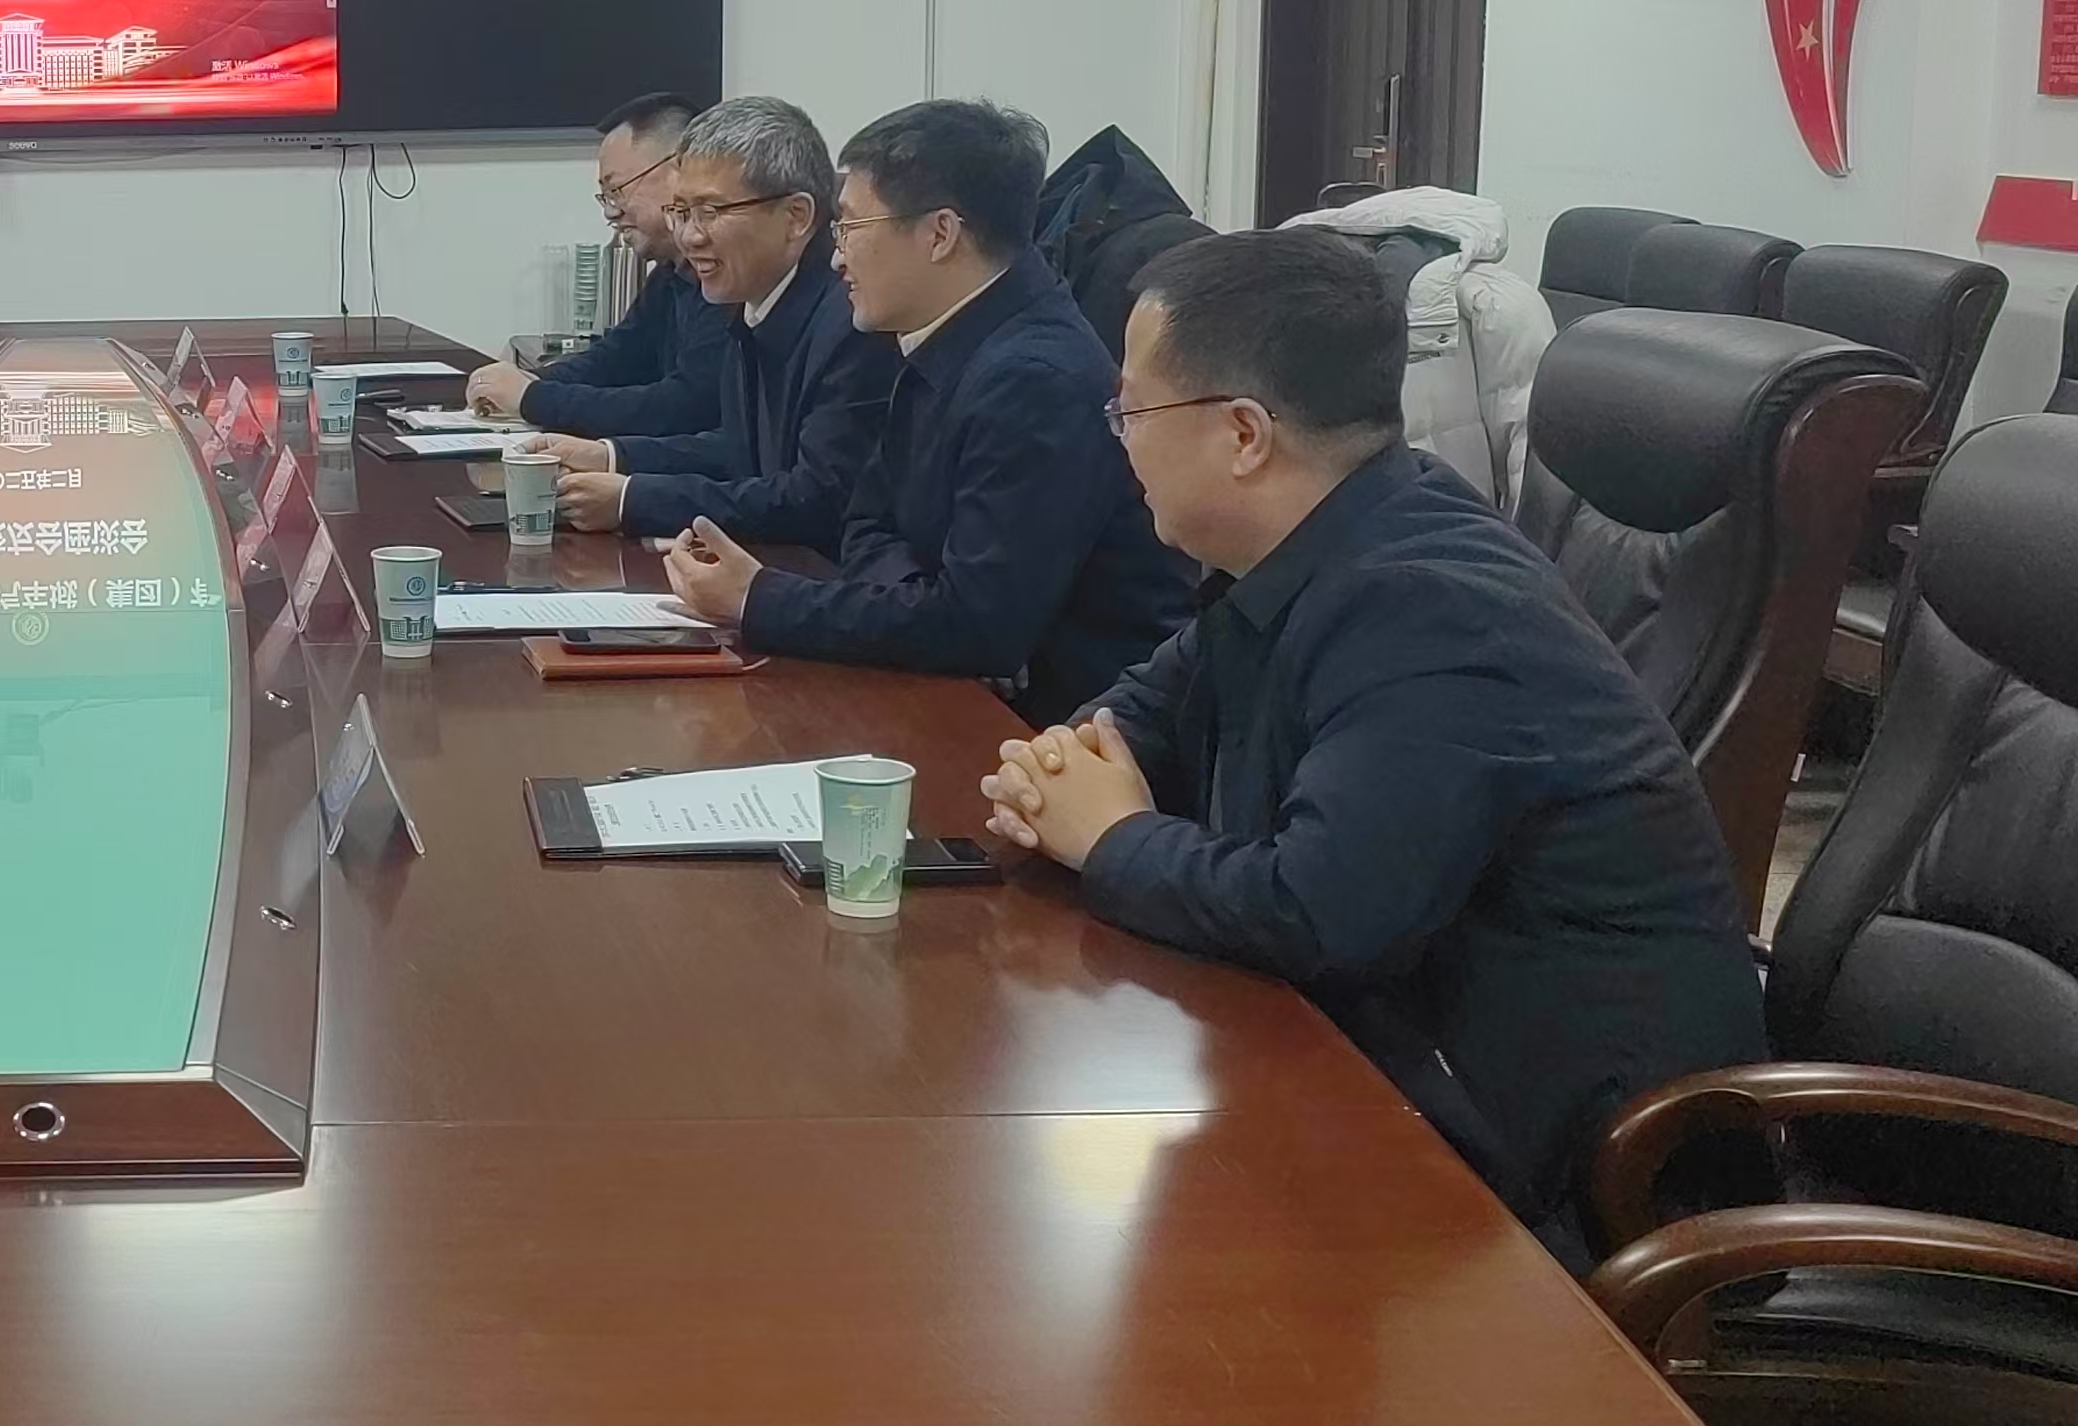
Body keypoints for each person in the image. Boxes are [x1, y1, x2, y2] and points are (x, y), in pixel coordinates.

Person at [980, 229, 1764, 1259]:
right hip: (1402, 1080)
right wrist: (1058, 781)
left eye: (1130, 410)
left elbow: (1316, 912)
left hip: (1565, 1188)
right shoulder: (1311, 546)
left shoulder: (1428, 605)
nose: (1117, 438)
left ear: (1244, 434)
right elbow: (1124, 723)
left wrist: (1113, 837)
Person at [659, 99, 1196, 720]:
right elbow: (864, 520)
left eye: (850, 228)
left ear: (940, 234)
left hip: (1056, 726)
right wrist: (922, 599)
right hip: (955, 688)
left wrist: (758, 597)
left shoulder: (1032, 377)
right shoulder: (943, 336)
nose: (835, 258)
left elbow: (977, 626)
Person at [525, 96, 894, 541]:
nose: (690, 236)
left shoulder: (853, 321)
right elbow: (740, 451)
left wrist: (632, 499)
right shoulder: (750, 295)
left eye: (711, 212)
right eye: (681, 212)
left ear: (796, 217)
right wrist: (611, 456)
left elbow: (815, 498)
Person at [465, 93, 735, 439]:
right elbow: (618, 358)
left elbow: (685, 407)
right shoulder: (671, 272)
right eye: (606, 196)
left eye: (618, 190)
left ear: (678, 169)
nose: (611, 211)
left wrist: (534, 398)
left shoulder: (728, 277)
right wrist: (530, 382)